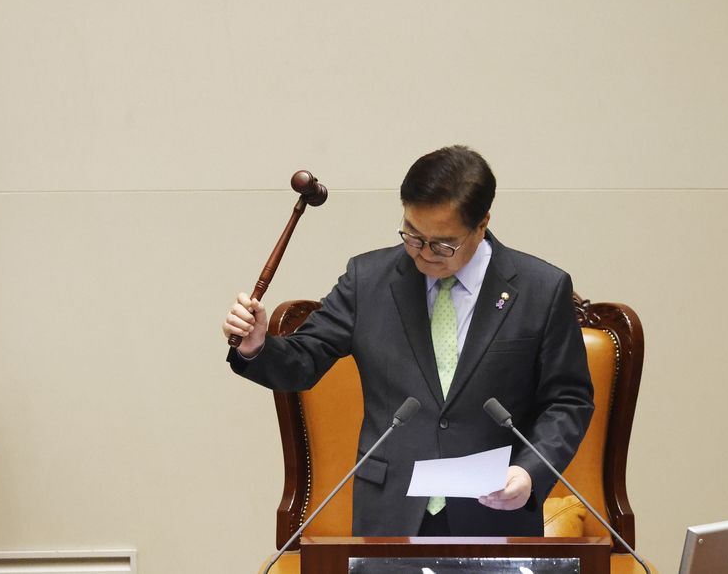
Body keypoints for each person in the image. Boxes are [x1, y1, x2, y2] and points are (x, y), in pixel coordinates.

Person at [222, 145, 594, 538]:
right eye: (413, 235)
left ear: (482, 223)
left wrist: (530, 471)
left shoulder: (541, 288)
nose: (423, 253)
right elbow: (302, 361)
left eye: (442, 244)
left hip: (496, 508)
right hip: (390, 510)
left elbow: (568, 400)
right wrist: (257, 346)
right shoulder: (368, 279)